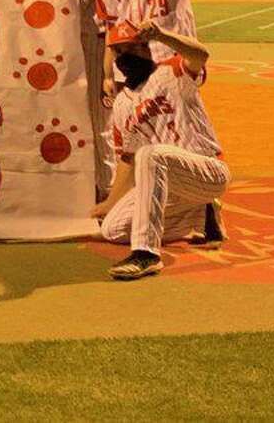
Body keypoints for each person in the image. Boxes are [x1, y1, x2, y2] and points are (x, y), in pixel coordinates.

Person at [94, 20, 229, 280]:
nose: (123, 57)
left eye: (129, 48)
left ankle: (146, 254)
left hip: (207, 171)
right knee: (113, 229)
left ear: (145, 48)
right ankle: (201, 215)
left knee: (151, 154)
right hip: (172, 186)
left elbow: (201, 55)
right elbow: (127, 157)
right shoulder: (122, 102)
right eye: (118, 51)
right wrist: (110, 202)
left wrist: (163, 34)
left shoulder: (173, 72)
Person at [47, 0, 117, 199]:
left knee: (121, 117)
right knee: (92, 119)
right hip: (83, 45)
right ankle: (104, 189)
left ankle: (113, 188)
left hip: (121, 43)